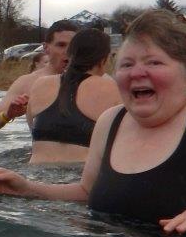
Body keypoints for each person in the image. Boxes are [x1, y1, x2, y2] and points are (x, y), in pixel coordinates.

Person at [0, 10, 186, 236]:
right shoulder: (111, 121)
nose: (137, 72)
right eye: (126, 64)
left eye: (154, 62)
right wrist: (28, 189)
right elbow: (86, 192)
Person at [25, 28, 121, 163]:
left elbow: (32, 132)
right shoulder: (110, 87)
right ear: (103, 59)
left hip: (34, 172)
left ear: (70, 54)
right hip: (79, 172)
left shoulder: (40, 84)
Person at [0, 20, 78, 134]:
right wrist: (7, 115)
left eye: (73, 46)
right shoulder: (28, 82)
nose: (68, 51)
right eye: (61, 45)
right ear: (46, 48)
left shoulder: (90, 80)